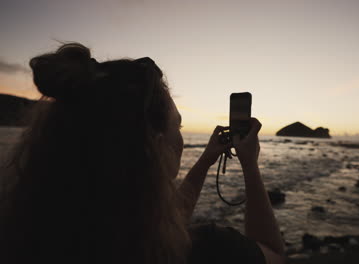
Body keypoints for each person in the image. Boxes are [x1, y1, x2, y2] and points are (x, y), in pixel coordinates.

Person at [0, 43, 284, 264]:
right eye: (178, 125)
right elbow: (272, 253)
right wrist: (250, 164)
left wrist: (207, 159)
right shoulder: (203, 251)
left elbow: (166, 218)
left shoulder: (29, 236)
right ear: (155, 144)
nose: (181, 136)